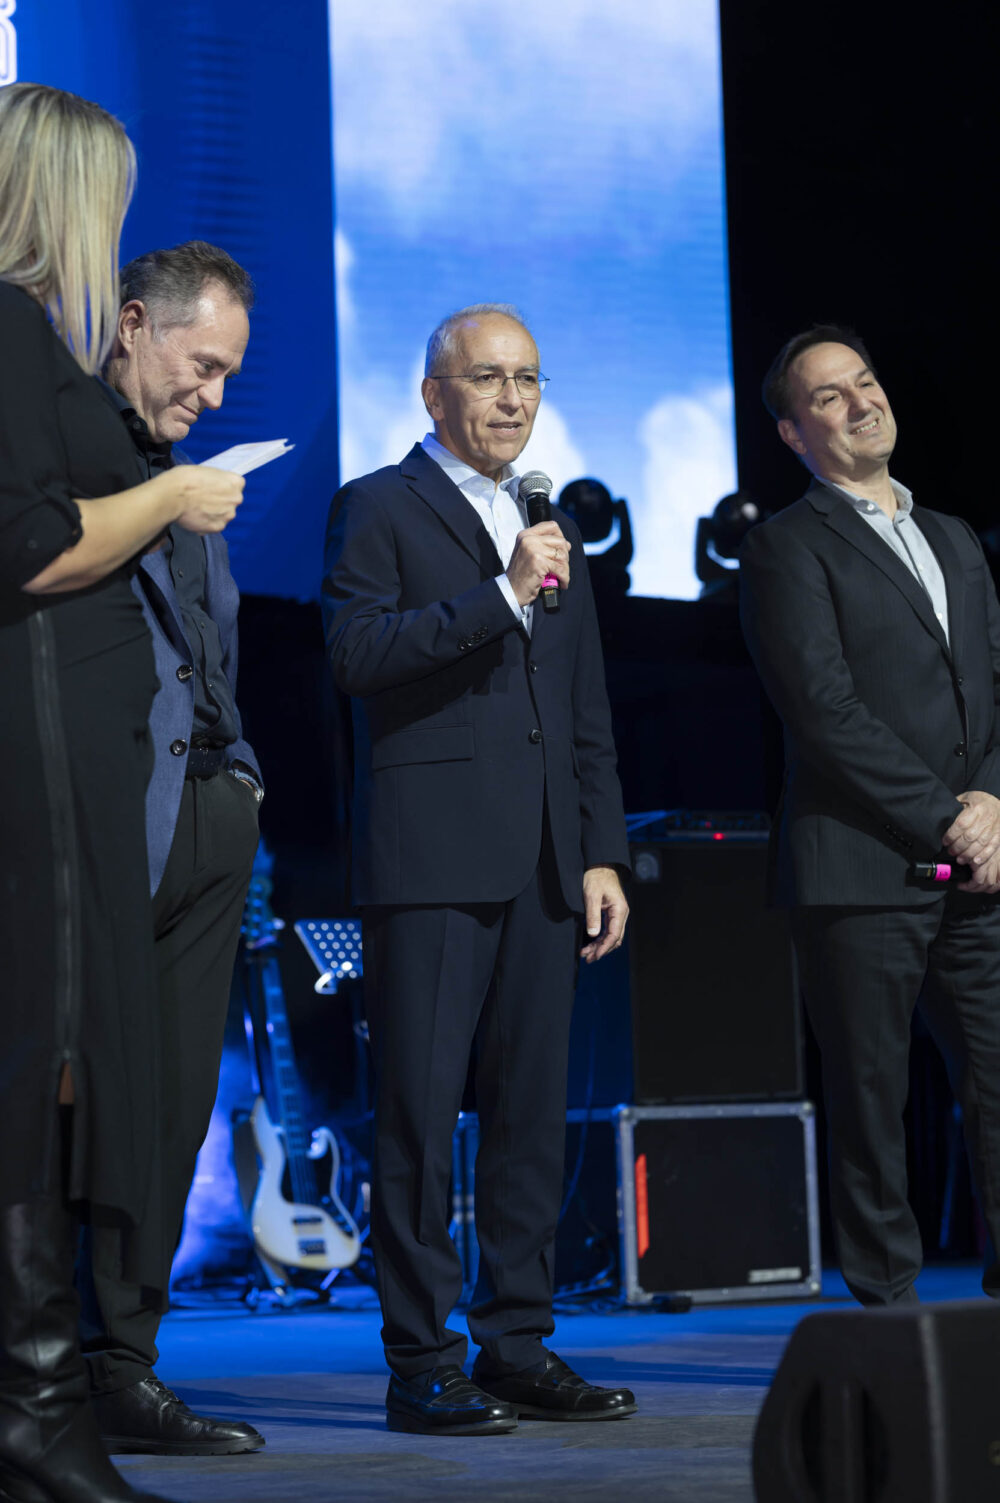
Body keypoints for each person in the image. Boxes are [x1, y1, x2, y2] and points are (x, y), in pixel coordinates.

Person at [323, 304, 636, 1435]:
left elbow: (582, 708)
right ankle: (421, 1361)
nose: (513, 400)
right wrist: (500, 593)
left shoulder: (549, 529)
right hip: (432, 863)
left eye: (529, 380)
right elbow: (357, 653)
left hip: (548, 862)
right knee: (418, 1118)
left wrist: (601, 851)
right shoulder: (377, 506)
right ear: (434, 394)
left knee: (530, 1119)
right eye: (489, 378)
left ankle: (517, 1344)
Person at [0, 83, 242, 1503]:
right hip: (40, 770)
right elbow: (29, 547)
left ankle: (47, 1406)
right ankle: (40, 1410)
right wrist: (171, 496)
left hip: (86, 765)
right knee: (43, 1068)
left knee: (70, 1078)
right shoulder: (13, 332)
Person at [739, 325, 1000, 1307]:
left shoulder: (953, 537)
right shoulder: (785, 545)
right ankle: (888, 1322)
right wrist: (948, 817)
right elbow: (824, 713)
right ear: (792, 433)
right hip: (858, 866)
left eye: (866, 382)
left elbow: (992, 688)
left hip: (977, 865)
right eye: (829, 396)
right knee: (870, 1102)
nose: (861, 403)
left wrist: (994, 803)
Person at [73, 243, 265, 1456]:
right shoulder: (66, 446)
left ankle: (124, 1367)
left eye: (230, 372)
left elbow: (210, 654)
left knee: (173, 1107)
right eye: (202, 364)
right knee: (78, 1101)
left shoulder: (193, 487)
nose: (214, 392)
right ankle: (49, 1368)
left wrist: (241, 780)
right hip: (97, 821)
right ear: (134, 324)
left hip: (206, 816)